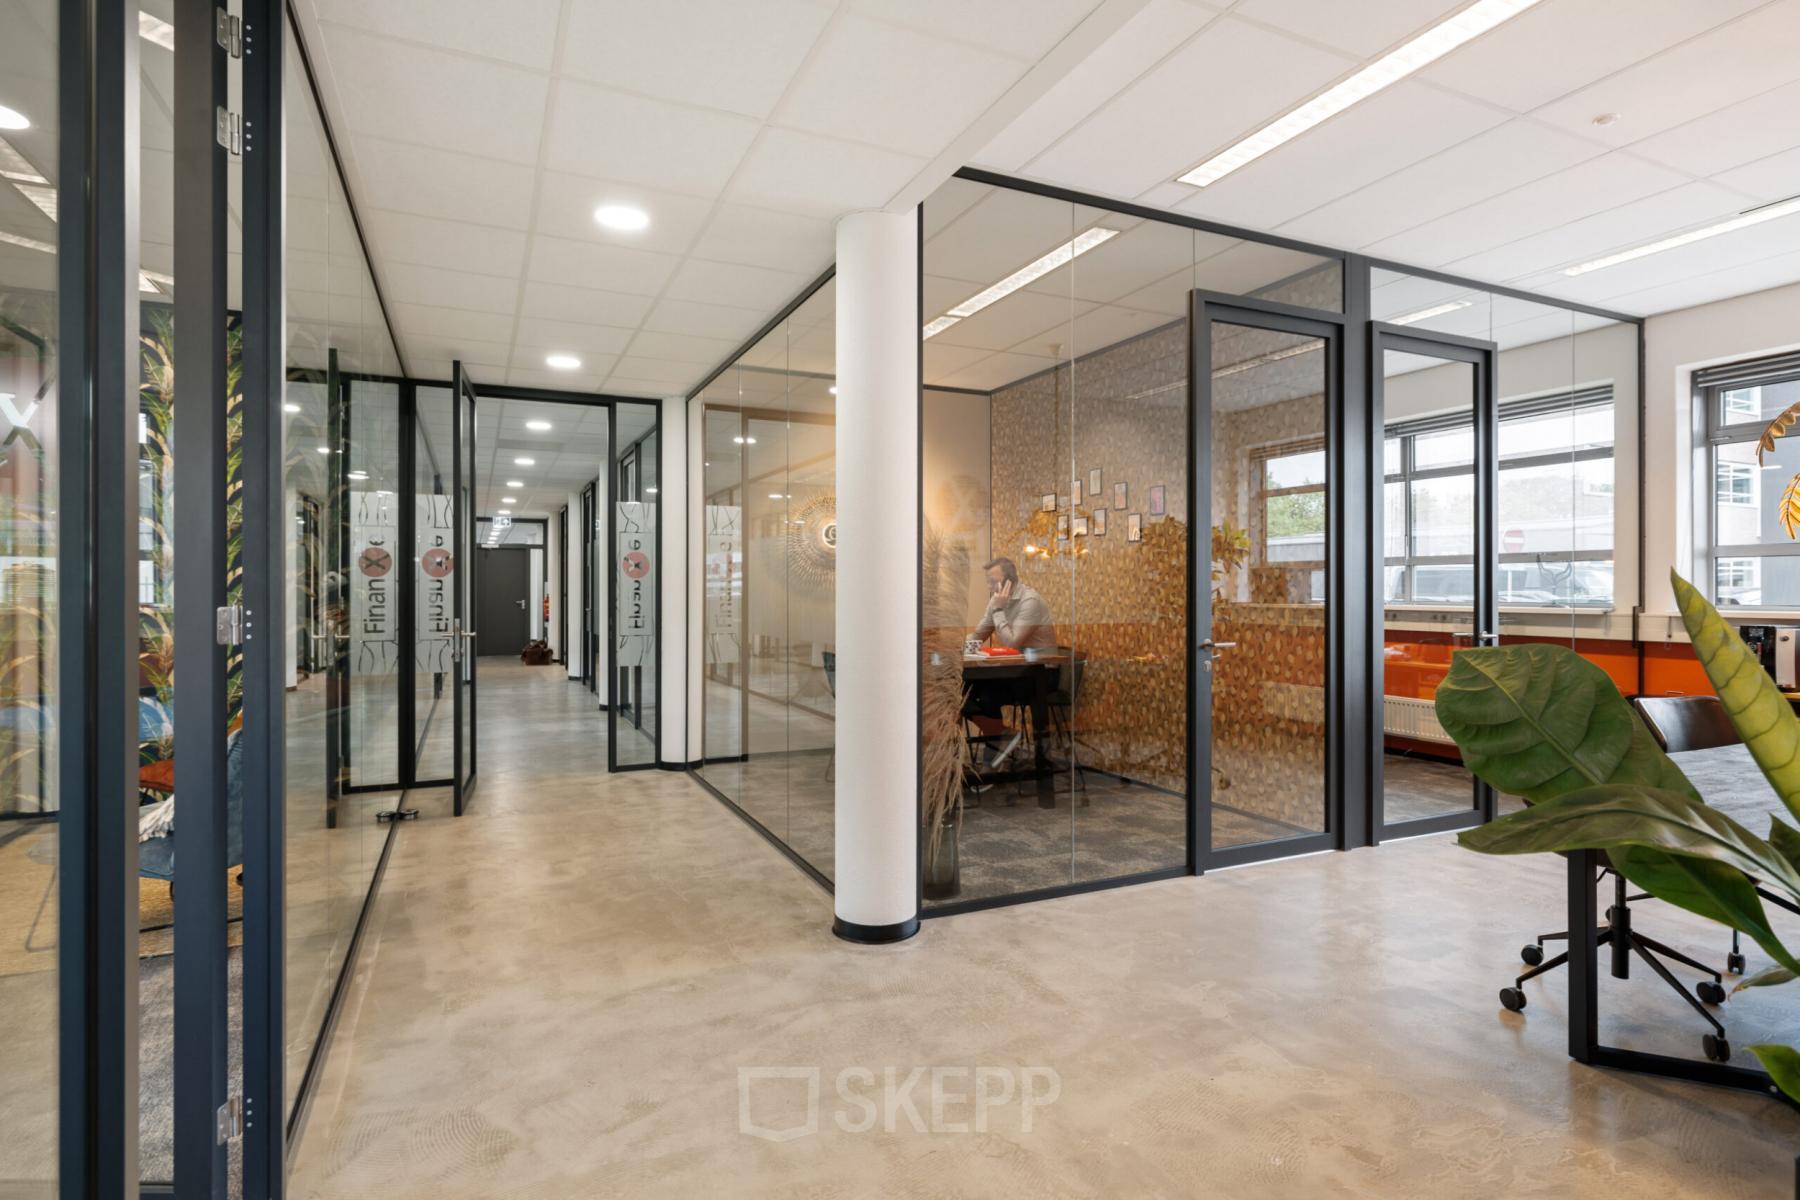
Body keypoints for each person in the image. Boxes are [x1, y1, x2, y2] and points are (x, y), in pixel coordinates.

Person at [966, 557, 1058, 769]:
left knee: (987, 695)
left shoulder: (1030, 601)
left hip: (1040, 675)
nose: (989, 586)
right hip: (1013, 673)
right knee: (963, 690)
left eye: (992, 581)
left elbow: (1013, 642)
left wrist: (999, 611)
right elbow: (979, 634)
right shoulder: (995, 601)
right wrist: (959, 648)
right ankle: (1003, 734)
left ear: (1010, 582)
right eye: (987, 581)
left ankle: (994, 758)